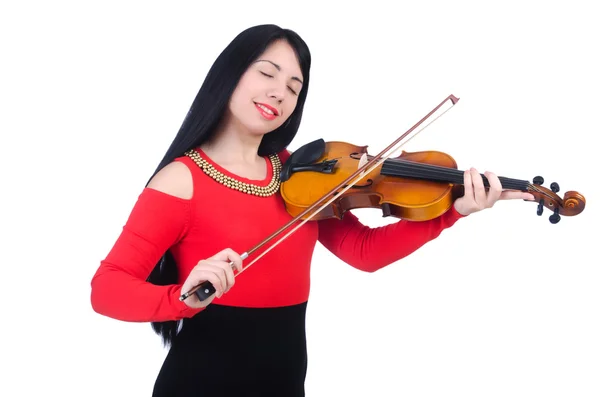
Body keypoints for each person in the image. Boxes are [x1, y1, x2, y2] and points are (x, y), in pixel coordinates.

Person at [90, 24, 534, 396]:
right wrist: (181, 297)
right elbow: (106, 289)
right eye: (267, 73)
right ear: (230, 74)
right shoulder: (181, 179)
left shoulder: (298, 173)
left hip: (286, 384)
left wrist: (452, 209)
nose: (279, 93)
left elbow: (365, 251)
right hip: (203, 384)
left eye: (293, 87)